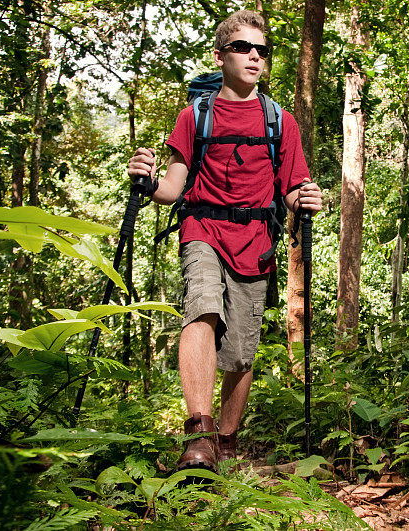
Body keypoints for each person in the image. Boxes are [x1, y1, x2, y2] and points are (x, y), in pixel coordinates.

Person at [126, 9, 322, 471]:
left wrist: (311, 198)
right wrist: (147, 182)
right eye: (243, 47)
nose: (255, 56)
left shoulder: (281, 122)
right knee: (203, 307)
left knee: (240, 350)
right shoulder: (195, 116)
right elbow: (173, 187)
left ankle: (227, 445)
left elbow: (293, 188)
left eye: (262, 49)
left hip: (256, 241)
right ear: (221, 56)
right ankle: (199, 433)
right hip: (203, 230)